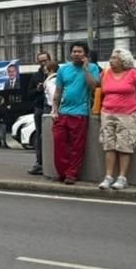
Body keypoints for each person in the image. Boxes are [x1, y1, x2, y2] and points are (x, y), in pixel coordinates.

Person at [97, 48, 136, 190]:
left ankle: (122, 177)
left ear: (124, 61)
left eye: (114, 58)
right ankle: (108, 177)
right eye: (111, 58)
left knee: (125, 145)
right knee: (108, 145)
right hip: (107, 113)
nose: (111, 61)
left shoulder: (134, 74)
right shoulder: (105, 74)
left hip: (127, 114)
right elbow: (97, 88)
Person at [51, 42, 101, 185]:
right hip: (62, 113)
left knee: (77, 146)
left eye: (79, 52)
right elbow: (58, 91)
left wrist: (86, 69)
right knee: (59, 144)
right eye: (74, 51)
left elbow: (93, 86)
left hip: (80, 113)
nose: (76, 54)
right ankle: (62, 172)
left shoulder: (92, 68)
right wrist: (54, 109)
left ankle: (71, 174)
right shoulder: (63, 69)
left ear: (85, 54)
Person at [26, 51, 52, 175]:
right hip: (40, 108)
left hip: (53, 108)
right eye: (40, 61)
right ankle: (39, 162)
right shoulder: (36, 76)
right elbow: (28, 94)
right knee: (39, 136)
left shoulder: (55, 74)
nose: (43, 63)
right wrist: (37, 89)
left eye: (45, 61)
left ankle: (51, 163)